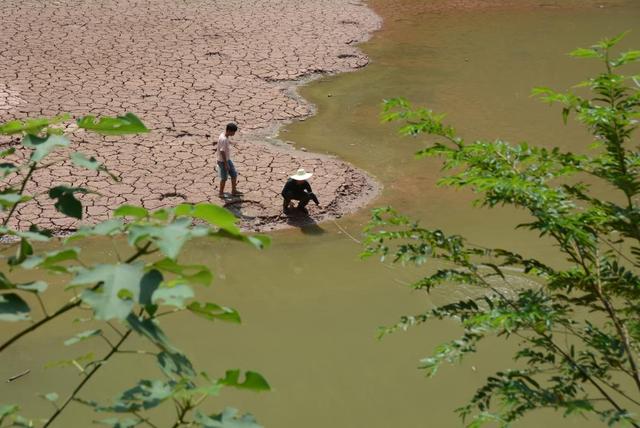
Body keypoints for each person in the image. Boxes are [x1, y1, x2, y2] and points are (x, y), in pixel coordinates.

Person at [217, 122, 240, 198]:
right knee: (224, 178)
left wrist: (231, 142)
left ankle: (234, 190)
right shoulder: (223, 139)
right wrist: (226, 164)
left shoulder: (223, 135)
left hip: (227, 160)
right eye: (233, 132)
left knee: (234, 174)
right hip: (223, 161)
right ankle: (221, 193)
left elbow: (222, 143)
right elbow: (222, 151)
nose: (234, 134)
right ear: (229, 131)